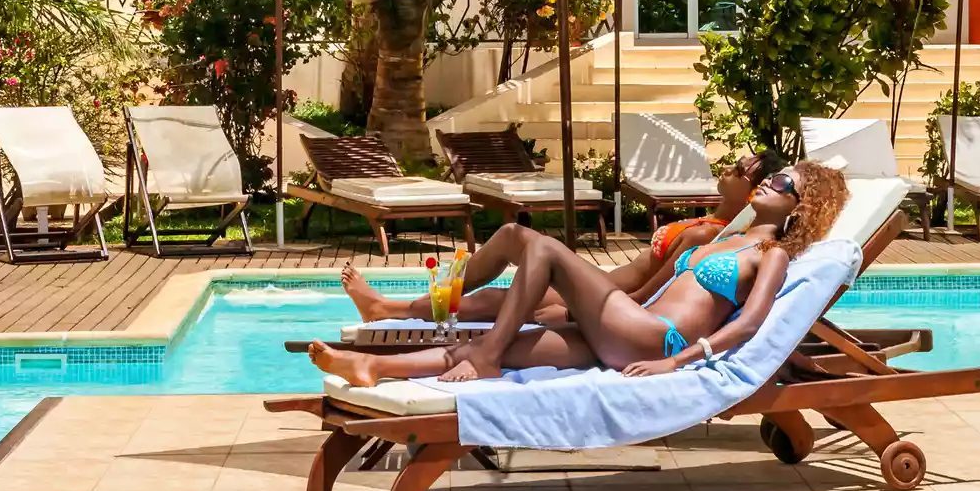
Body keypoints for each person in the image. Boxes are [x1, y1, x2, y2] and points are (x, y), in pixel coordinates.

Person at [310, 161, 848, 386]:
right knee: (522, 339)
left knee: (539, 248)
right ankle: (371, 368)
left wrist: (678, 363)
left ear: (799, 209)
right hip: (626, 328)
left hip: (655, 340)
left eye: (783, 184)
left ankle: (484, 357)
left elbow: (751, 326)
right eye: (775, 176)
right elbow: (653, 289)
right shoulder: (728, 237)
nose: (770, 183)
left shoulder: (771, 255)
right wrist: (584, 308)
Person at [339, 150, 785, 326]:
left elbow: (658, 292)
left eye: (739, 167)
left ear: (749, 188)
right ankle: (396, 307)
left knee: (516, 246)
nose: (729, 165)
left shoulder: (708, 235)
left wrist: (596, 312)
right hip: (605, 283)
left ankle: (393, 307)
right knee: (511, 278)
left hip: (614, 297)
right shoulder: (706, 221)